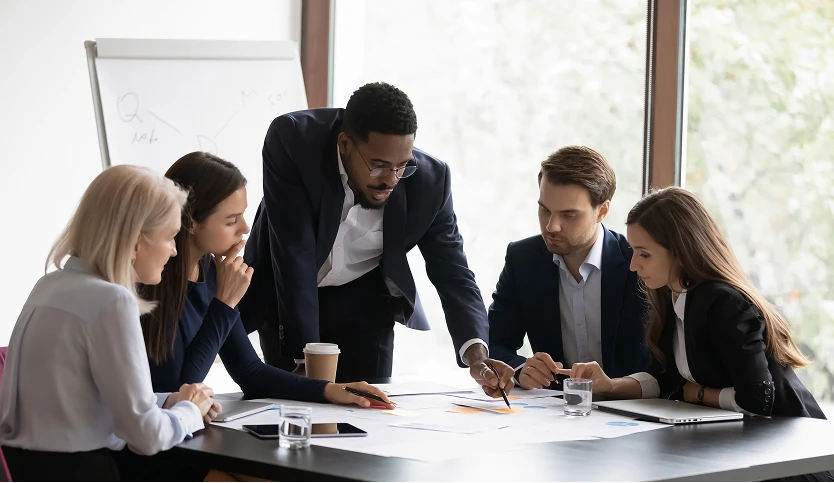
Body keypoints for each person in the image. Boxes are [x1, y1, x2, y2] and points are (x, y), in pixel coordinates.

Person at [241, 82, 513, 395]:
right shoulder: (293, 141)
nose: (391, 179)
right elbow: (294, 254)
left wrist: (478, 357)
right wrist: (307, 362)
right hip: (289, 296)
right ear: (344, 144)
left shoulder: (431, 182)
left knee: (370, 410)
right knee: (296, 409)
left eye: (402, 166)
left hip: (365, 302)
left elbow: (454, 273)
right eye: (379, 166)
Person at [0, 165, 216, 481]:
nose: (173, 250)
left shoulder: (48, 286)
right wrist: (190, 411)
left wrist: (166, 400)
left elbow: (84, 400)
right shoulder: (113, 301)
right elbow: (147, 436)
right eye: (170, 237)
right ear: (136, 242)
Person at [140, 152, 394, 409]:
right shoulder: (151, 280)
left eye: (242, 215)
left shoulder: (212, 271)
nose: (245, 228)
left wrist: (330, 390)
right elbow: (177, 391)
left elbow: (249, 371)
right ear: (191, 222)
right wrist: (225, 303)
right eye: (231, 220)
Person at [560, 186, 826, 418]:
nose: (632, 265)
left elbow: (759, 400)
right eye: (633, 252)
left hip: (790, 451)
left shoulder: (724, 304)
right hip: (741, 441)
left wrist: (699, 394)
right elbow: (665, 380)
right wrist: (610, 385)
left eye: (644, 254)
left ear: (681, 251)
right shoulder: (670, 296)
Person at [489, 146, 650, 390]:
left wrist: (614, 387)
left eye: (569, 215)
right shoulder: (522, 259)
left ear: (602, 211)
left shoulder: (638, 263)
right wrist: (521, 370)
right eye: (545, 210)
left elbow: (663, 362)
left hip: (629, 409)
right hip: (553, 412)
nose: (551, 226)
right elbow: (494, 342)